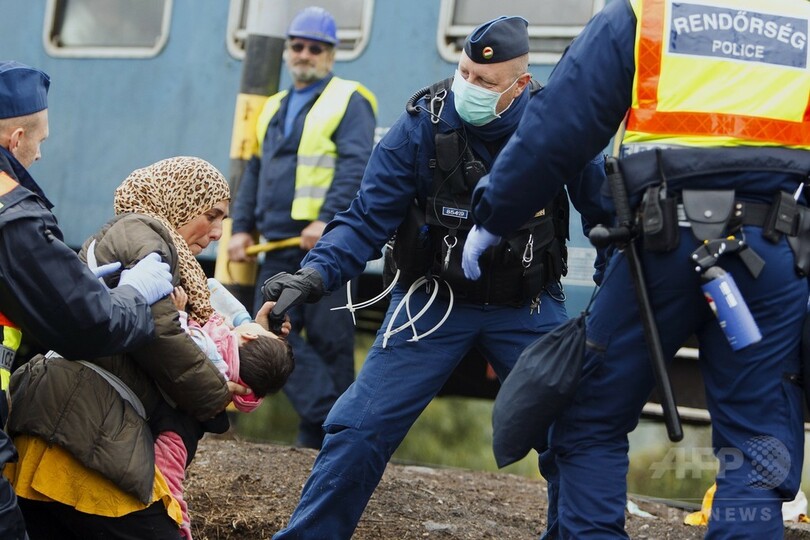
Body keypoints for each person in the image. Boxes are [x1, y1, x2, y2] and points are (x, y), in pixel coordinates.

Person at [462, 1, 810, 538]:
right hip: (773, 248)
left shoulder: (648, 10)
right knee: (757, 444)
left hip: (662, 246)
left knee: (589, 415)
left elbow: (562, 124)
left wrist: (495, 213)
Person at [261, 15, 606, 539]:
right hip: (431, 302)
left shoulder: (557, 122)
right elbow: (364, 219)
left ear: (521, 85)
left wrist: (618, 292)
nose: (469, 86)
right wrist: (311, 277)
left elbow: (604, 214)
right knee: (358, 428)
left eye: (485, 82)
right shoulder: (422, 123)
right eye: (464, 71)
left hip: (526, 306)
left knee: (574, 433)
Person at [5, 156, 243, 539]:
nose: (217, 232)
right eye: (211, 215)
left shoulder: (150, 245)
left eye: (223, 222)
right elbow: (161, 331)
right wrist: (215, 395)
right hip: (79, 435)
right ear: (177, 200)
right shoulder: (142, 231)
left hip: (69, 426)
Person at [0, 61, 174, 540]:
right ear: (16, 140)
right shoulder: (13, 215)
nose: (38, 155)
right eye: (40, 141)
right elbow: (91, 326)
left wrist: (58, 290)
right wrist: (134, 293)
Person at [227, 6, 377, 449]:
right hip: (275, 242)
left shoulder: (351, 99)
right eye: (298, 45)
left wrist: (327, 218)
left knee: (332, 341)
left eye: (315, 48)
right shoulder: (272, 106)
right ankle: (336, 418)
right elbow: (255, 170)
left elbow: (356, 165)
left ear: (331, 53)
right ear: (288, 50)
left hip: (325, 244)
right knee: (267, 330)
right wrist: (242, 227)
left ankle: (320, 441)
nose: (304, 54)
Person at [165, 286, 295, 539]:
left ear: (250, 337)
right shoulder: (238, 379)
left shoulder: (211, 347)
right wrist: (252, 326)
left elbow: (209, 290)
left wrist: (178, 314)